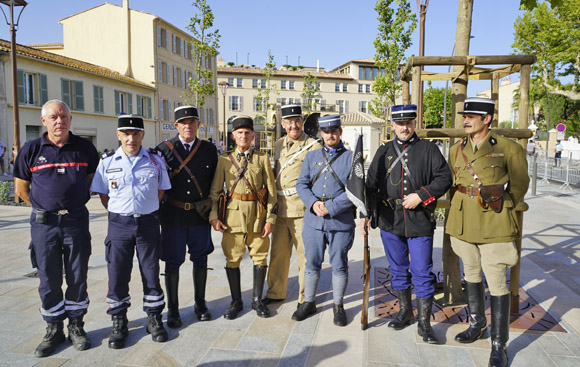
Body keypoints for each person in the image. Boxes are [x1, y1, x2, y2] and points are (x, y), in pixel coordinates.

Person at [446, 97, 529, 367]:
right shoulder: (456, 150)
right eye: (464, 116)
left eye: (472, 116)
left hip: (494, 221)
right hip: (463, 220)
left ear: (487, 119)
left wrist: (503, 206)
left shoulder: (508, 148)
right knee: (470, 273)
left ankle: (498, 344)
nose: (465, 120)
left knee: (496, 281)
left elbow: (519, 184)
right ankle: (477, 324)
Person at [13, 100, 99, 357]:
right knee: (48, 277)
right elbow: (21, 189)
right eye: (53, 117)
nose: (59, 121)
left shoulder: (84, 148)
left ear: (70, 120)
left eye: (63, 116)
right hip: (44, 224)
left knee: (77, 275)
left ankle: (76, 326)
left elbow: (92, 181)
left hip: (76, 220)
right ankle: (53, 329)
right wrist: (44, 207)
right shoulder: (31, 149)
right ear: (44, 121)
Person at [361, 104, 452, 343]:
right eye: (400, 123)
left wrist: (422, 195)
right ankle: (404, 312)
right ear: (392, 125)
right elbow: (371, 185)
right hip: (390, 220)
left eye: (409, 123)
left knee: (422, 272)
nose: (404, 127)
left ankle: (424, 322)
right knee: (398, 270)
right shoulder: (383, 151)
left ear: (414, 123)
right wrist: (367, 214)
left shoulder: (429, 149)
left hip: (419, 221)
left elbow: (445, 178)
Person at [90, 114, 171, 349]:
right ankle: (119, 320)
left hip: (147, 224)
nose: (131, 139)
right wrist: (121, 210)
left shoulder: (155, 161)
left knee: (151, 271)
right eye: (126, 134)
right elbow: (103, 195)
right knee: (117, 274)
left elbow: (161, 190)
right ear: (118, 136)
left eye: (136, 134)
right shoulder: (107, 162)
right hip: (119, 225)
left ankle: (154, 317)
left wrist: (145, 208)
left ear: (142, 135)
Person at [208, 116, 277, 319]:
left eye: (247, 133)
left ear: (253, 136)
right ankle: (236, 301)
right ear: (233, 136)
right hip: (232, 218)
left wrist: (270, 219)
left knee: (260, 257)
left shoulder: (262, 159)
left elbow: (271, 193)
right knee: (232, 258)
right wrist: (214, 217)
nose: (244, 136)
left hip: (258, 216)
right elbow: (214, 192)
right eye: (240, 133)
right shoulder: (223, 160)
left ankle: (257, 300)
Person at [156, 106, 218, 327]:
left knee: (200, 259)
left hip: (199, 217)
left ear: (198, 125)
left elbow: (214, 185)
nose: (188, 126)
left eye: (192, 122)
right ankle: (173, 309)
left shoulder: (209, 150)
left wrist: (214, 213)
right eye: (183, 123)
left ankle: (200, 304)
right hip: (173, 216)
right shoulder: (163, 150)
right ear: (176, 126)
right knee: (172, 263)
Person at [292, 114, 355, 326]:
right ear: (321, 133)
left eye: (334, 131)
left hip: (340, 222)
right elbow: (302, 184)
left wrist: (331, 206)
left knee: (338, 263)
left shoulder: (352, 158)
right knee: (312, 262)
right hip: (313, 222)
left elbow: (356, 190)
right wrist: (312, 203)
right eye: (326, 131)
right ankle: (309, 302)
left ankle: (338, 305)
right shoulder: (311, 157)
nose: (331, 135)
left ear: (340, 131)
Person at [263, 104, 321, 307]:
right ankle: (275, 291)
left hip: (302, 210)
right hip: (280, 209)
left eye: (297, 121)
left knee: (305, 256)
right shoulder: (279, 144)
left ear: (303, 122)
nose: (294, 126)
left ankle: (306, 298)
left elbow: (319, 179)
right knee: (278, 253)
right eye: (289, 122)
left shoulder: (313, 146)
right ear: (283, 124)